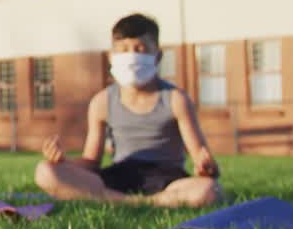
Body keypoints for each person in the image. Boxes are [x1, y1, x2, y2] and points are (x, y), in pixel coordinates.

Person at [35, 13, 222, 208]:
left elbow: (200, 157)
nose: (132, 57)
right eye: (123, 50)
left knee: (209, 189)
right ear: (111, 56)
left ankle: (119, 201)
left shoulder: (176, 100)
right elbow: (91, 162)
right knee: (45, 172)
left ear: (157, 56)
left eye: (140, 49)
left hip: (167, 178)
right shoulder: (101, 102)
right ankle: (147, 203)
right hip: (118, 176)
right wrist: (64, 162)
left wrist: (207, 168)